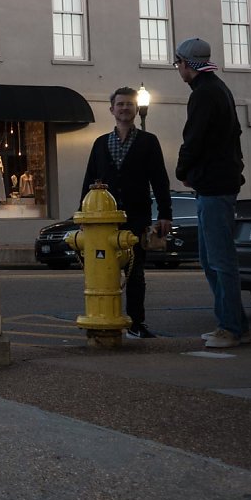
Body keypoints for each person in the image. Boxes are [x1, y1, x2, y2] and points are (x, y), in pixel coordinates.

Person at [173, 37, 250, 349]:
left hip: (214, 186)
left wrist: (183, 171)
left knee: (219, 260)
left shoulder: (203, 95)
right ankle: (232, 324)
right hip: (218, 182)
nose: (177, 68)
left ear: (189, 65)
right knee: (211, 259)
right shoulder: (219, 89)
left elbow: (195, 138)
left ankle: (231, 328)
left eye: (178, 62)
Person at [81, 86, 172, 339]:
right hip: (103, 222)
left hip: (137, 217)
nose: (124, 108)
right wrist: (83, 217)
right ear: (112, 110)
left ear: (135, 109)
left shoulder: (148, 141)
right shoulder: (100, 144)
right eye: (120, 104)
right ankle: (102, 318)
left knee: (135, 272)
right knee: (101, 272)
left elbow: (160, 179)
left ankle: (135, 322)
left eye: (129, 104)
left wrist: (165, 213)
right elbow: (90, 180)